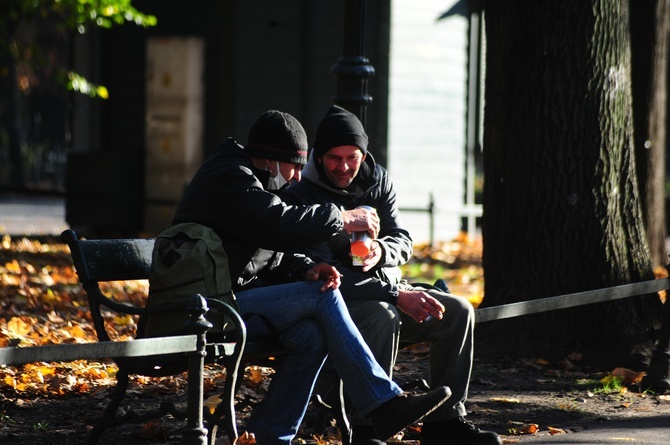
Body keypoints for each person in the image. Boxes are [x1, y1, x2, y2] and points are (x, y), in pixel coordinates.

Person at [170, 109, 451, 445]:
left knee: (309, 334)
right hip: (201, 310)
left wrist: (305, 268)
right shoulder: (231, 177)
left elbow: (271, 245)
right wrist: (343, 218)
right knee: (322, 294)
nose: (298, 178)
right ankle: (383, 403)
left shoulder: (252, 178)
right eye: (295, 167)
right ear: (273, 160)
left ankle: (269, 437)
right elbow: (280, 223)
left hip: (227, 301)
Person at [282, 105, 502, 445]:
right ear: (318, 156)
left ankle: (445, 424)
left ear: (364, 153)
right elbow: (323, 274)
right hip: (338, 303)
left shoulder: (377, 179)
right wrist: (396, 294)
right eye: (333, 158)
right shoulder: (301, 194)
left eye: (352, 157)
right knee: (381, 315)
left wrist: (382, 251)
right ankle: (368, 428)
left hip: (387, 285)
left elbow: (403, 239)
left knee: (458, 311)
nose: (343, 167)